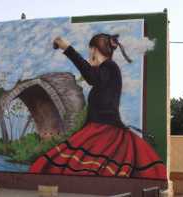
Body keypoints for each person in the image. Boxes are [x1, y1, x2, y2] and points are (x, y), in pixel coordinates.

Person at [29, 34, 166, 180]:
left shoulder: (110, 67)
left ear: (94, 50)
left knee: (69, 165)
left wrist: (67, 48)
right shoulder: (107, 71)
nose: (89, 56)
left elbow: (91, 77)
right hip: (100, 129)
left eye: (90, 52)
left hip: (103, 131)